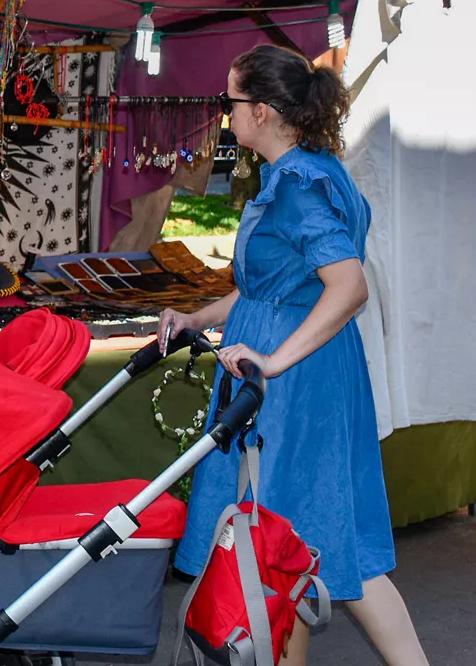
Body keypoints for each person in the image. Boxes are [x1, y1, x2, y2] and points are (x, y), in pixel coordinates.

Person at [158, 45, 428, 666]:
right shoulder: (313, 168)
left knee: (287, 533)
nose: (225, 116)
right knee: (296, 539)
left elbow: (349, 285)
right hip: (306, 373)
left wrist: (275, 362)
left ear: (263, 112)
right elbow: (273, 285)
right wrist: (201, 317)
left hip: (292, 384)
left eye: (230, 103)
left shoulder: (299, 187)